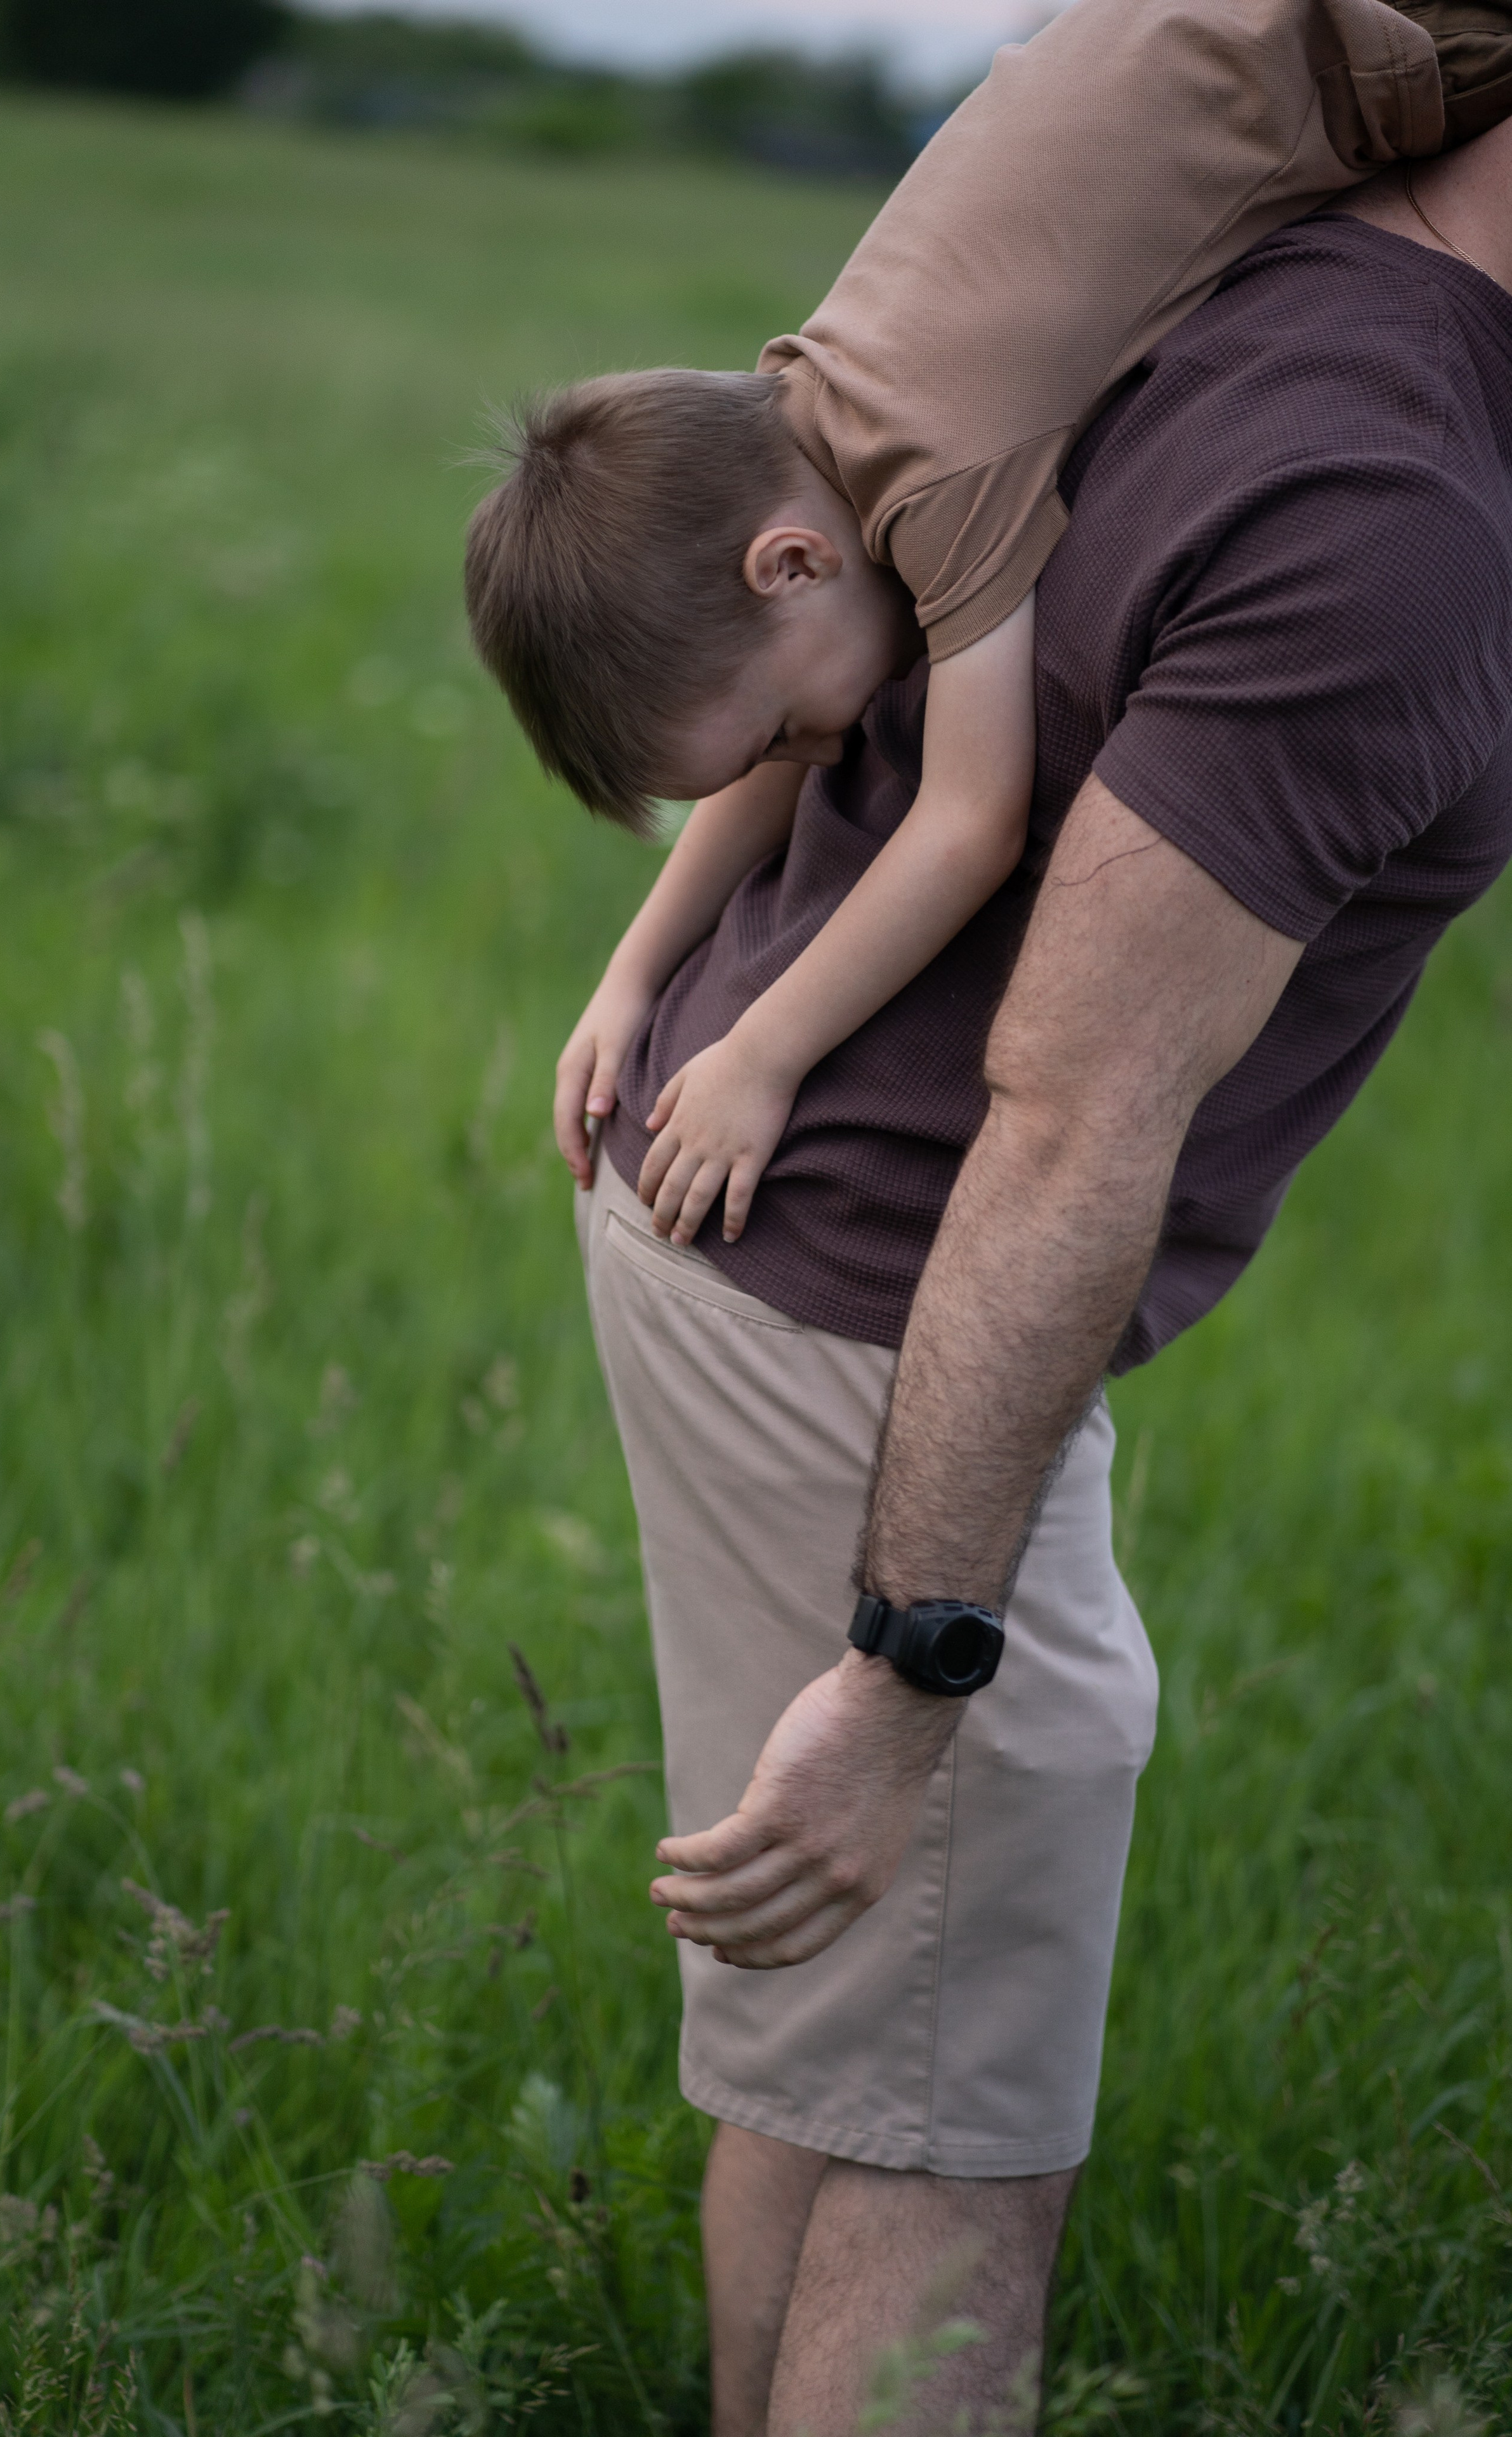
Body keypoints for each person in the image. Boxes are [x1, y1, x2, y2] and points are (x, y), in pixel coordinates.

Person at [468, 28, 1512, 2437]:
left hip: (765, 1261)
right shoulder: (1388, 501)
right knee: (945, 2151)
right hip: (876, 1311)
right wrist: (919, 1664)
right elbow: (1064, 1107)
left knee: (842, 2048)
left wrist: (666, 1003)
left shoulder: (1205, 281)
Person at [467, 0, 1512, 1253]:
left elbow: (968, 825)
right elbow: (773, 738)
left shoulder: (935, 473)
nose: (819, 758)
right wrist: (632, 975)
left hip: (1391, 41)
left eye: (784, 733)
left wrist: (761, 1053)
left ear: (790, 564)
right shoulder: (817, 395)